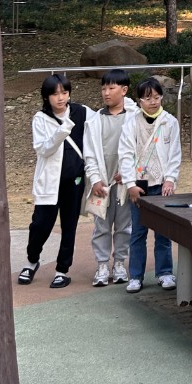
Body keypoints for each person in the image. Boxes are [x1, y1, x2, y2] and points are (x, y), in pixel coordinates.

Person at [18, 73, 90, 289]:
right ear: (46, 96)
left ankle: (62, 270)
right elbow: (43, 149)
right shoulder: (40, 119)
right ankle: (32, 261)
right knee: (40, 225)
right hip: (49, 182)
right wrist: (62, 131)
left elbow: (104, 120)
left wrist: (129, 107)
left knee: (69, 226)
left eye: (64, 92)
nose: (60, 98)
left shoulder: (81, 111)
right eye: (55, 94)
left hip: (74, 180)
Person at [118, 76, 182, 293]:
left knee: (163, 232)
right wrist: (130, 184)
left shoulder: (170, 122)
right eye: (148, 98)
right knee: (138, 232)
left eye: (156, 97)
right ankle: (135, 276)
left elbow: (175, 153)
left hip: (161, 184)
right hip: (139, 185)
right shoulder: (131, 123)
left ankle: (165, 272)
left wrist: (170, 179)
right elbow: (125, 154)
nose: (153, 102)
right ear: (139, 101)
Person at [83, 68, 136, 286]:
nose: (106, 93)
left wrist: (129, 173)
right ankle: (102, 264)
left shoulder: (134, 118)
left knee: (124, 224)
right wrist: (95, 179)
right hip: (103, 183)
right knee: (102, 225)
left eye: (111, 88)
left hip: (124, 182)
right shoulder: (94, 121)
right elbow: (90, 154)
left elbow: (138, 150)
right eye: (103, 88)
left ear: (124, 90)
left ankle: (120, 262)